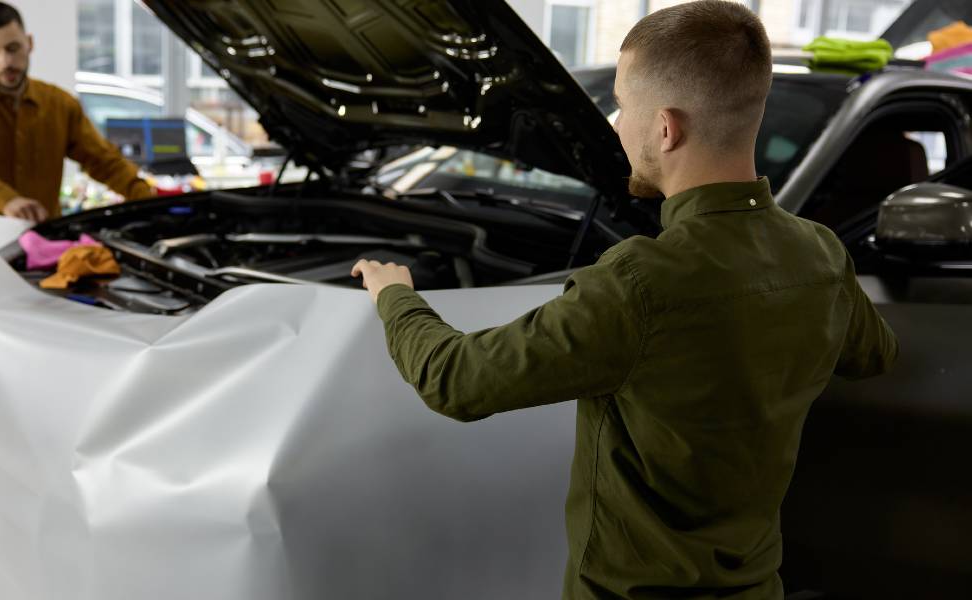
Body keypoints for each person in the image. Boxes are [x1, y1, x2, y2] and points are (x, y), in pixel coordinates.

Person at [351, 2, 898, 598]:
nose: (614, 124)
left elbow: (456, 381)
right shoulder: (820, 256)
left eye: (621, 105)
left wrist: (395, 295)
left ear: (665, 128)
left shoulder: (639, 283)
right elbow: (874, 356)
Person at [0, 1, 153, 556]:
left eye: (13, 47)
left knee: (33, 381)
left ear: (31, 42)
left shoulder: (59, 105)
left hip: (41, 261)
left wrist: (151, 199)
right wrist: (7, 199)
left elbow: (103, 161)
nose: (5, 60)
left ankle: (22, 500)